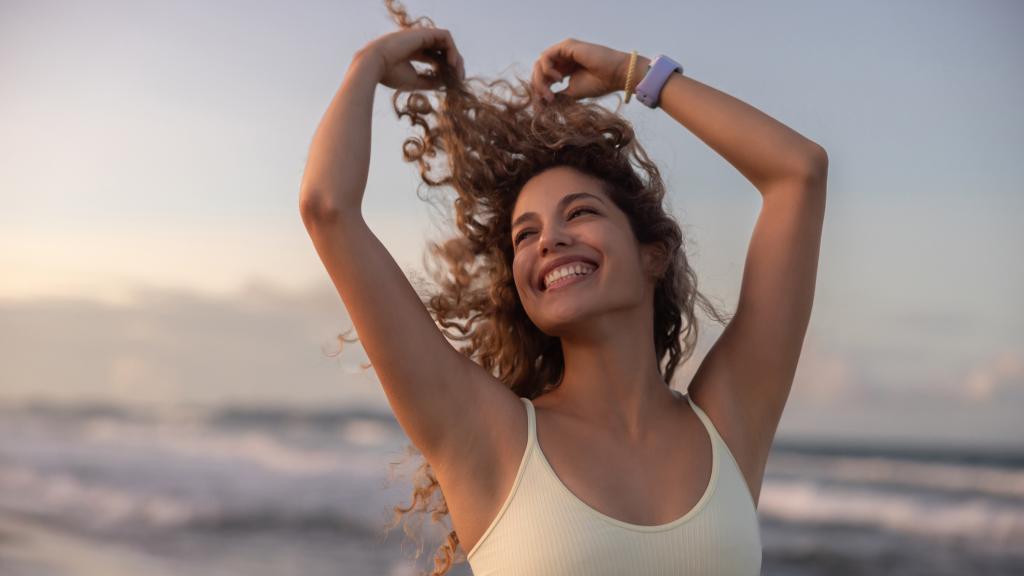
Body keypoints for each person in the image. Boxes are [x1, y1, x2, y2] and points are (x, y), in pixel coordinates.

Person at [299, 2, 827, 574]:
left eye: (579, 213)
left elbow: (798, 173)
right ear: (520, 288)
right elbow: (327, 209)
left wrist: (636, 74)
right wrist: (367, 64)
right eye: (525, 235)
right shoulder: (488, 438)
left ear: (653, 254)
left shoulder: (728, 423)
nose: (549, 240)